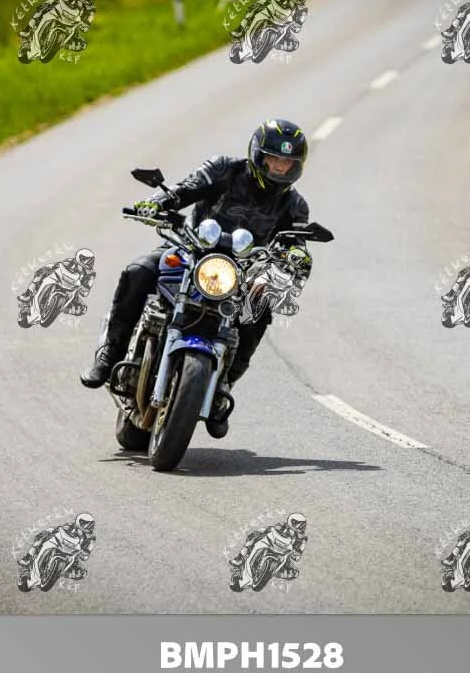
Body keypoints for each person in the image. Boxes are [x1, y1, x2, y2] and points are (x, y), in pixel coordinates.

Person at [79, 119, 313, 439]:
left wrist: (297, 255)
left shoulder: (295, 205)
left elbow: (295, 241)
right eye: (274, 159)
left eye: (287, 162)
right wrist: (158, 204)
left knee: (260, 309)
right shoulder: (224, 169)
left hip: (241, 270)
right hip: (190, 250)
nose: (280, 167)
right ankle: (110, 354)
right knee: (139, 271)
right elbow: (183, 190)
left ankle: (223, 386)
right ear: (258, 155)